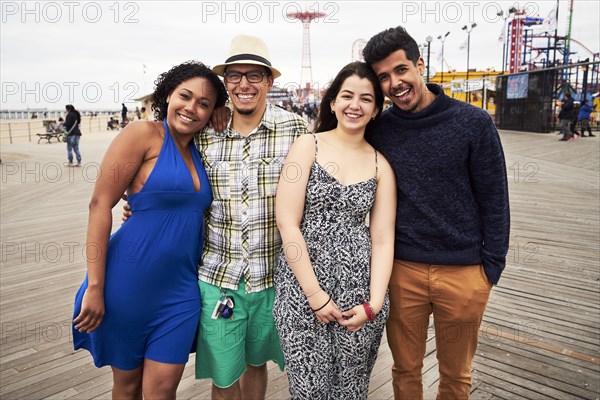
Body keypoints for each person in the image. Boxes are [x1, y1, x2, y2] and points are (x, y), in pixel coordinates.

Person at [124, 34, 309, 399]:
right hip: (217, 279)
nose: (244, 84)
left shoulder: (296, 131)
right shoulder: (205, 132)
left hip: (272, 278)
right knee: (224, 378)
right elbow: (169, 176)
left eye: (254, 75)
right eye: (235, 76)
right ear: (225, 84)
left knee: (257, 365)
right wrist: (140, 205)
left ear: (270, 82)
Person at [363, 26, 510, 400]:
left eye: (400, 70)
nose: (394, 83)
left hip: (464, 271)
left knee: (456, 376)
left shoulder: (473, 123)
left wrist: (489, 269)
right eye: (383, 77)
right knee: (405, 370)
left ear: (419, 64)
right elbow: (332, 134)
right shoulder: (378, 130)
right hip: (402, 270)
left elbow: (495, 200)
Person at [72, 61, 228, 400]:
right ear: (168, 95)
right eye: (185, 96)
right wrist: (95, 286)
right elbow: (99, 205)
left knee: (162, 390)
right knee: (127, 387)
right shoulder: (143, 134)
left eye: (204, 103)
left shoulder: (201, 148)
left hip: (181, 291)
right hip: (126, 285)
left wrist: (224, 110)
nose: (192, 108)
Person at [273, 61, 396, 399]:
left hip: (358, 300)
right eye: (347, 96)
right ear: (332, 103)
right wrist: (315, 295)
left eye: (366, 99)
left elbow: (383, 239)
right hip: (302, 292)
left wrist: (372, 304)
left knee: (351, 390)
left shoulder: (379, 164)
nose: (355, 105)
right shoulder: (306, 146)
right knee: (309, 389)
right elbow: (287, 222)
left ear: (375, 110)